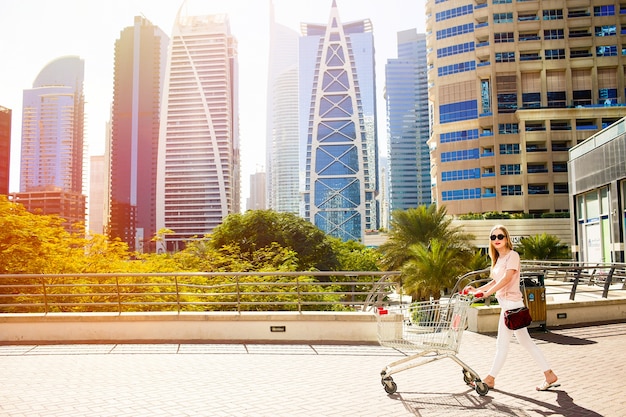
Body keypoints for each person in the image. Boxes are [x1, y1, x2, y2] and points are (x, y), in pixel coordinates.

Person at [464, 225, 559, 391]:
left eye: (500, 236)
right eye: (493, 238)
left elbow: (507, 279)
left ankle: (491, 379)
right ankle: (548, 374)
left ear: (507, 238)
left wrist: (487, 294)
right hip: (507, 306)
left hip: (512, 306)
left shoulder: (513, 256)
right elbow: (495, 281)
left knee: (503, 345)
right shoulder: (499, 259)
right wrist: (478, 290)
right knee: (525, 343)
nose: (497, 240)